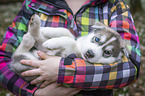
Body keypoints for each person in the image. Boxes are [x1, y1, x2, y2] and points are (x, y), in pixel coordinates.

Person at [0, 0, 141, 96]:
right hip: (36, 76)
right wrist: (34, 93)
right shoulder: (34, 3)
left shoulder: (114, 7)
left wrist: (61, 70)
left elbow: (130, 68)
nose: (92, 51)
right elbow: (3, 59)